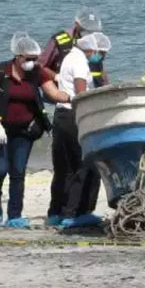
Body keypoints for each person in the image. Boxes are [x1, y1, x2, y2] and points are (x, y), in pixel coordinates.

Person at [0, 33, 70, 229]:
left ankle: (14, 215)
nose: (33, 62)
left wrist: (74, 96)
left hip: (25, 130)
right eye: (29, 59)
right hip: (0, 129)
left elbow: (54, 93)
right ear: (18, 56)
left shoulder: (37, 72)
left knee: (18, 172)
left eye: (35, 59)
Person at [47, 32, 111, 228]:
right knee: (84, 166)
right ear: (91, 49)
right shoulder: (81, 63)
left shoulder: (68, 58)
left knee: (63, 167)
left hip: (60, 116)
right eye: (100, 54)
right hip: (74, 116)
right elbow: (81, 92)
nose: (100, 58)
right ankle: (76, 212)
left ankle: (56, 211)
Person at [39, 7, 108, 87]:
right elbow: (41, 66)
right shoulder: (60, 40)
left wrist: (107, 87)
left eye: (93, 31)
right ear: (77, 24)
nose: (89, 34)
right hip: (64, 90)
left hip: (94, 89)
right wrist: (56, 77)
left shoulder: (97, 39)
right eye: (85, 30)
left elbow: (101, 68)